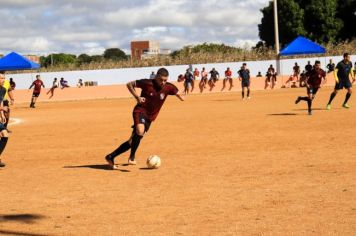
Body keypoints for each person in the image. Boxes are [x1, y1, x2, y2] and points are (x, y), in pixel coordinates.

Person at [105, 68, 185, 169]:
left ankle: (110, 156)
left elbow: (177, 92)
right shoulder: (147, 83)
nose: (163, 82)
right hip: (140, 111)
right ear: (156, 76)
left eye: (165, 80)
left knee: (132, 141)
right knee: (140, 131)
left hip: (150, 118)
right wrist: (137, 97)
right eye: (161, 79)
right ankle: (132, 157)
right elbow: (129, 84)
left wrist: (181, 97)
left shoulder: (168, 87)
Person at [0, 73, 10, 167]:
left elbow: (1, 101)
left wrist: (2, 114)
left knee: (5, 134)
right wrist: (2, 109)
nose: (4, 80)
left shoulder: (3, 90)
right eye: (2, 78)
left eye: (4, 78)